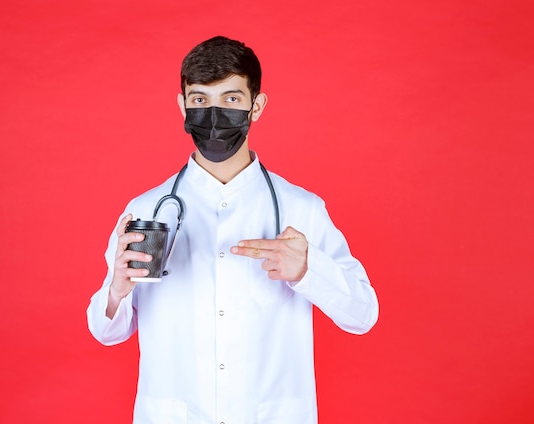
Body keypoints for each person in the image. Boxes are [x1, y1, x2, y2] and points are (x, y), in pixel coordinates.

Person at [87, 35, 379, 424]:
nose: (214, 113)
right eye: (201, 100)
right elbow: (107, 333)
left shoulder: (302, 209)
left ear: (256, 106)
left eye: (231, 99)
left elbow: (363, 316)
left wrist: (310, 270)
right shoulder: (145, 211)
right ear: (182, 105)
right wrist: (118, 290)